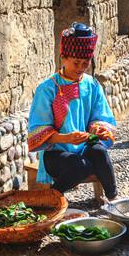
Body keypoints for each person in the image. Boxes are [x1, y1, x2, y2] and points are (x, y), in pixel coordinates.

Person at [27, 23, 117, 204]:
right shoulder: (47, 89)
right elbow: (38, 131)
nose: (81, 68)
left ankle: (115, 201)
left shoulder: (91, 84)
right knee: (80, 166)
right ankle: (52, 198)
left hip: (84, 147)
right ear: (63, 58)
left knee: (99, 153)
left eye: (85, 63)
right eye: (76, 63)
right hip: (56, 153)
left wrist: (97, 129)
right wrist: (66, 138)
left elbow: (100, 115)